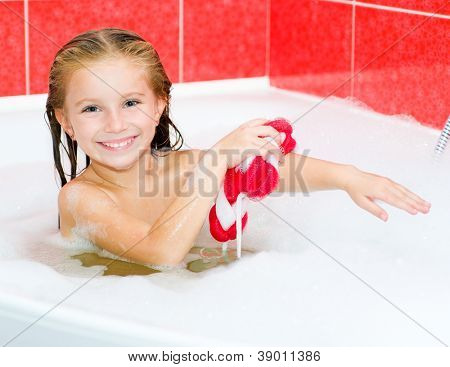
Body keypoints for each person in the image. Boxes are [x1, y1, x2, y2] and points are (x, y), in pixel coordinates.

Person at [46, 28, 431, 267]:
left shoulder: (183, 168)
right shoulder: (81, 199)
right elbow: (159, 254)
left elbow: (265, 175)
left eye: (131, 103)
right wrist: (215, 161)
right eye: (92, 108)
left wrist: (348, 177)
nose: (116, 124)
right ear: (67, 121)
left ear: (160, 104)